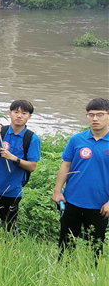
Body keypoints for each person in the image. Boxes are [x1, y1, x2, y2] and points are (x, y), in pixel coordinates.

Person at [53, 98, 109, 260]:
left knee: (95, 247)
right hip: (72, 200)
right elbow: (66, 165)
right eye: (91, 115)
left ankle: (92, 272)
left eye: (100, 114)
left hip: (99, 205)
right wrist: (57, 191)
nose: (95, 118)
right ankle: (63, 269)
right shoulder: (77, 139)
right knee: (65, 243)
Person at [0, 100, 41, 233]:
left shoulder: (32, 139)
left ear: (29, 116)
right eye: (16, 112)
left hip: (11, 191)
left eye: (24, 113)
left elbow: (32, 166)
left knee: (9, 229)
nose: (19, 115)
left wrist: (14, 158)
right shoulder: (1, 132)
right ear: (10, 113)